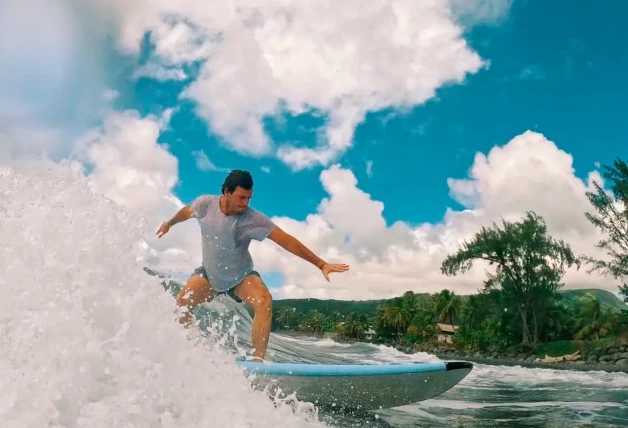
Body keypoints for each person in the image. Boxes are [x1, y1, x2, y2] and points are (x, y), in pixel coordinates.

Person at [156, 169, 350, 361]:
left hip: (241, 277)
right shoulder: (205, 204)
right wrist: (170, 223)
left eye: (249, 198)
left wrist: (321, 264)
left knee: (264, 300)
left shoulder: (252, 219)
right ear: (226, 192)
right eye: (241, 197)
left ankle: (258, 361)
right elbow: (187, 211)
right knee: (182, 302)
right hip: (209, 275)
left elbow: (286, 240)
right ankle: (188, 348)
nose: (245, 203)